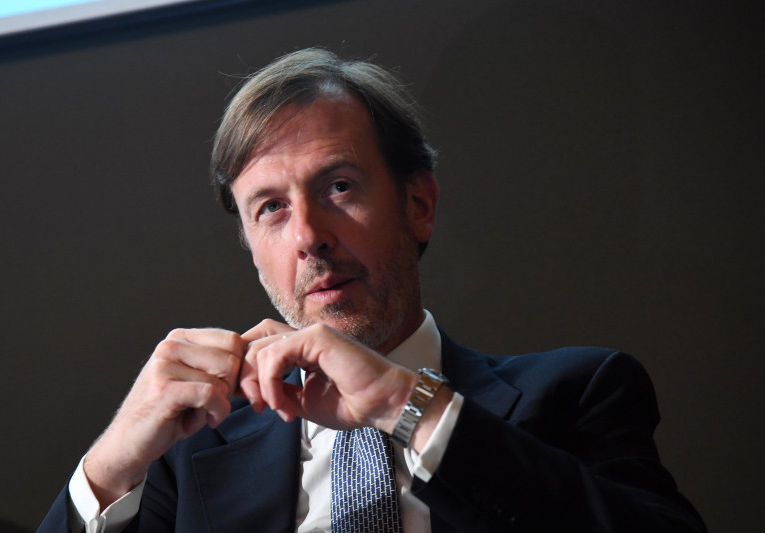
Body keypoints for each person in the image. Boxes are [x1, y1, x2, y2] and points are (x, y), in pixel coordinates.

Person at [38, 48, 706, 533]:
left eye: (339, 187)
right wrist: (106, 469)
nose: (309, 236)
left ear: (419, 204)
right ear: (253, 250)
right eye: (271, 209)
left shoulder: (578, 393)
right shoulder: (190, 460)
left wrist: (402, 401)